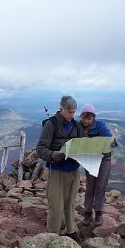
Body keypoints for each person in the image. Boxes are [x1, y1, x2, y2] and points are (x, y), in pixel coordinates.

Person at [36, 95, 85, 240]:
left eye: (74, 112)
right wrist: (52, 155)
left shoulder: (76, 126)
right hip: (57, 171)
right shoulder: (51, 125)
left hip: (73, 170)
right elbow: (40, 148)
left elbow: (83, 143)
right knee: (56, 206)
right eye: (69, 112)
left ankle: (71, 231)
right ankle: (51, 236)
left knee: (70, 204)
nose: (72, 115)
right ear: (61, 109)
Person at [79, 103, 116, 226]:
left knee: (101, 185)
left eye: (89, 118)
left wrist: (112, 142)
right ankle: (88, 214)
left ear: (93, 118)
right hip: (90, 159)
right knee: (90, 186)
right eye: (84, 117)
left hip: (104, 158)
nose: (85, 121)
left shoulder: (100, 125)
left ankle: (99, 214)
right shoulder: (78, 126)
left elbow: (110, 138)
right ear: (81, 116)